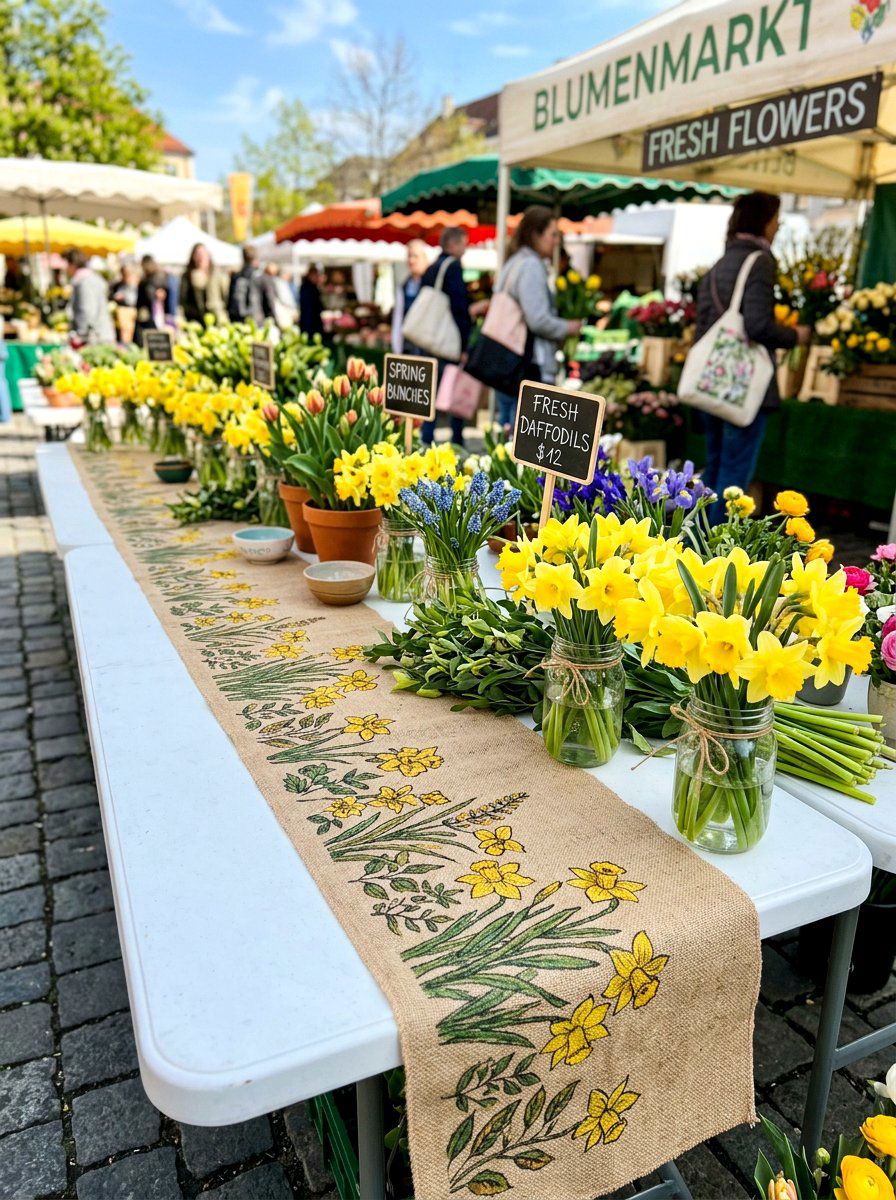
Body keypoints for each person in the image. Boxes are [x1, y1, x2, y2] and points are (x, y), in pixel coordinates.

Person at [695, 191, 810, 522]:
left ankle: (693, 543)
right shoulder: (759, 262)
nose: (777, 227)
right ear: (764, 221)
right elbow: (758, 325)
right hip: (741, 387)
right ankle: (712, 554)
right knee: (733, 477)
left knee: (714, 468)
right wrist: (794, 335)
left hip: (711, 383)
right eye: (777, 220)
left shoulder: (720, 263)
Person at [492, 206, 582, 432]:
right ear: (535, 235)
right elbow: (538, 320)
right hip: (528, 365)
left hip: (506, 361)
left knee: (506, 437)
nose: (555, 242)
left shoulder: (513, 262)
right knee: (525, 442)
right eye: (552, 235)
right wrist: (568, 327)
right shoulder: (531, 266)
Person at [419, 227, 471, 446]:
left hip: (427, 340)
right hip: (447, 344)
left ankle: (425, 440)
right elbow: (459, 307)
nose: (465, 249)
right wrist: (464, 345)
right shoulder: (453, 267)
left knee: (428, 397)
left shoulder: (431, 268)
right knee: (452, 392)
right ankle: (456, 443)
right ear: (452, 244)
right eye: (463, 244)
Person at [64, 250, 115, 344]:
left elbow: (86, 310)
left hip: (94, 337)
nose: (66, 268)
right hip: (103, 333)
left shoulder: (83, 282)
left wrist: (80, 334)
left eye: (67, 264)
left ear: (73, 264)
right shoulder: (94, 277)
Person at [391, 239, 428, 353]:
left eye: (415, 256)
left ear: (425, 259)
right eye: (409, 256)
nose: (411, 260)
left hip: (428, 346)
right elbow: (398, 317)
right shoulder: (403, 286)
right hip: (408, 346)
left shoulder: (433, 284)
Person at [179, 243, 227, 326]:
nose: (200, 257)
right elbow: (183, 299)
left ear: (208, 255)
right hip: (195, 319)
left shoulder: (218, 274)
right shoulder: (187, 276)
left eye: (203, 254)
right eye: (197, 254)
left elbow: (225, 294)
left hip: (217, 317)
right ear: (193, 257)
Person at [228, 244, 268, 324]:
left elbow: (229, 300)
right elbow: (268, 302)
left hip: (237, 320)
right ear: (256, 258)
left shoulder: (235, 277)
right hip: (256, 320)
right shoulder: (259, 277)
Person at [136, 257, 172, 341]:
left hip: (155, 311)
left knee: (155, 333)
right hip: (148, 311)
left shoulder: (158, 277)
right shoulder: (146, 278)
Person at [110, 263, 139, 343]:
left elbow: (132, 299)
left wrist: (124, 297)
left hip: (128, 309)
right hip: (121, 310)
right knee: (123, 332)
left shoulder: (133, 283)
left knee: (127, 332)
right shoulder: (119, 284)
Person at [265, 262, 298, 330]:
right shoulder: (279, 282)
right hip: (282, 312)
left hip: (277, 312)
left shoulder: (275, 281)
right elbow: (285, 299)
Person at [298, 266, 325, 338]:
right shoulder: (309, 288)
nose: (317, 278)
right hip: (310, 322)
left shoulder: (309, 287)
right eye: (316, 276)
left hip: (310, 321)